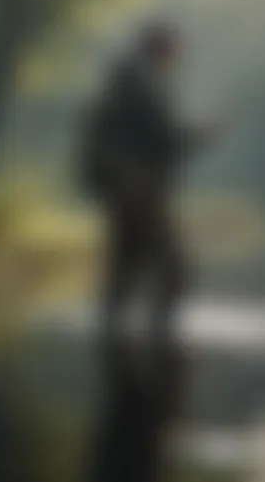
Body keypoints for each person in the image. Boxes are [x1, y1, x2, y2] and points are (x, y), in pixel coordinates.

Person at [79, 22, 221, 354]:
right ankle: (160, 348)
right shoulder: (142, 86)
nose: (179, 60)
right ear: (162, 50)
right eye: (176, 52)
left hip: (123, 191)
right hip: (139, 193)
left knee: (124, 272)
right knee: (174, 271)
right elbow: (164, 141)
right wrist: (202, 134)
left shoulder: (124, 82)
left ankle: (114, 351)